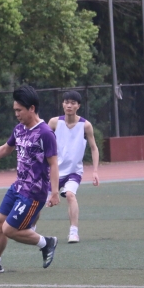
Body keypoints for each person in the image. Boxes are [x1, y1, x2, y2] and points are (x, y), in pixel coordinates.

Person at [0, 85, 60, 274]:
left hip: (34, 193)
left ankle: (46, 243)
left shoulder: (45, 133)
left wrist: (54, 193)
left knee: (9, 229)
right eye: (15, 110)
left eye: (19, 110)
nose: (16, 114)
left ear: (32, 108)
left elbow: (54, 164)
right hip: (18, 187)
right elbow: (6, 148)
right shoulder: (19, 129)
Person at [46, 91, 100, 243]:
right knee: (40, 200)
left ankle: (74, 232)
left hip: (74, 171)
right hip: (54, 171)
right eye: (66, 102)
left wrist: (95, 171)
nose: (69, 105)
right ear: (62, 104)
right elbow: (43, 144)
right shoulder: (54, 122)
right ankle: (31, 229)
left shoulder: (85, 125)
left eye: (73, 103)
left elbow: (94, 148)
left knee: (70, 195)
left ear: (78, 106)